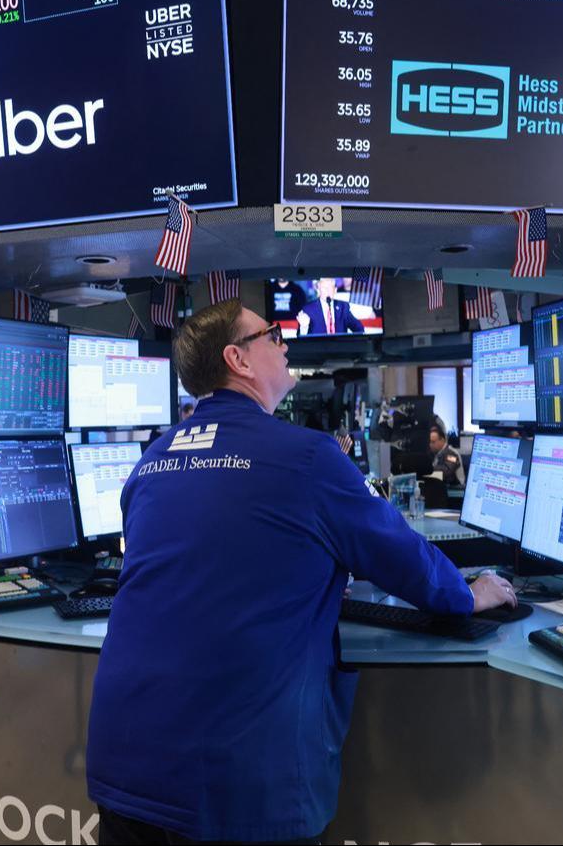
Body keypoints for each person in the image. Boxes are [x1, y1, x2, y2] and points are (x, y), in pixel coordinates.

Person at [86, 299, 515, 845]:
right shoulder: (308, 456)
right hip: (236, 775)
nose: (285, 343)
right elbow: (401, 558)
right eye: (271, 335)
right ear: (237, 359)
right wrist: (465, 593)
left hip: (127, 760)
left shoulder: (152, 460)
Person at [296, 277, 364, 336]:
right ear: (318, 290)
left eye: (330, 288)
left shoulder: (343, 307)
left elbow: (359, 328)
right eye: (324, 288)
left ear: (335, 290)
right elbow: (300, 337)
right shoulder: (308, 309)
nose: (327, 291)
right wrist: (304, 327)